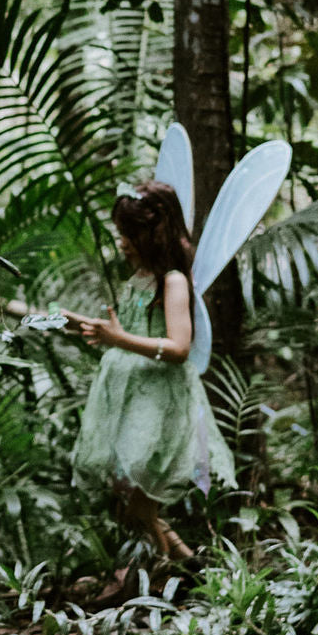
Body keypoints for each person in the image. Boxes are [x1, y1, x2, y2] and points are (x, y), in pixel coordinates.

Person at [62, 181, 235, 565]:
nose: (122, 243)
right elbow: (132, 331)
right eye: (121, 233)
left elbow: (179, 347)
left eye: (130, 234)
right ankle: (193, 570)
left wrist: (118, 339)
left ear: (154, 234)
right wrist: (86, 326)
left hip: (159, 404)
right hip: (132, 400)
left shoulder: (172, 280)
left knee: (140, 507)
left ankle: (164, 577)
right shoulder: (139, 278)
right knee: (133, 504)